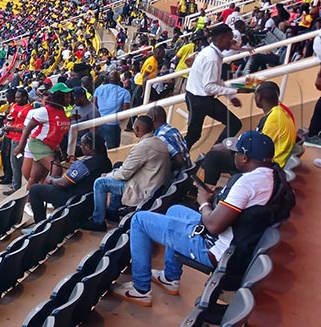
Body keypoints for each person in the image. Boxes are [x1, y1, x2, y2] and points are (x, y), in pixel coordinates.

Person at [112, 131, 289, 307]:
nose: (234, 156)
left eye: (237, 152)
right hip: (235, 239)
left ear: (245, 159)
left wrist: (204, 202)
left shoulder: (246, 183)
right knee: (175, 210)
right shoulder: (271, 175)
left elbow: (213, 226)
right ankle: (170, 278)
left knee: (139, 220)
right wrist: (218, 197)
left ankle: (141, 290)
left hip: (214, 249)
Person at [82, 115, 171, 232]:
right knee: (116, 170)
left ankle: (98, 221)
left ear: (138, 128)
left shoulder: (143, 146)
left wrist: (107, 175)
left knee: (100, 183)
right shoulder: (159, 142)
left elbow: (124, 174)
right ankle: (113, 211)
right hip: (153, 185)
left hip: (144, 189)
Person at [201, 81, 296, 185]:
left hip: (267, 167)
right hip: (269, 161)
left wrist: (232, 149)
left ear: (258, 97)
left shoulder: (273, 120)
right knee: (220, 152)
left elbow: (259, 151)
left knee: (212, 157)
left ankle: (208, 192)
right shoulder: (280, 112)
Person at [184, 23, 246, 148]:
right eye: (230, 38)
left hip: (194, 97)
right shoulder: (212, 58)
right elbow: (209, 87)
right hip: (201, 100)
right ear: (221, 39)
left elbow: (216, 80)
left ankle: (179, 158)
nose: (232, 42)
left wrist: (230, 96)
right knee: (234, 124)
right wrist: (236, 91)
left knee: (193, 135)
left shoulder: (210, 52)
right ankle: (216, 151)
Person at [28, 132, 112, 223]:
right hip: (88, 200)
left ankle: (39, 226)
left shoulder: (83, 166)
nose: (80, 147)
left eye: (82, 145)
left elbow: (63, 183)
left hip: (73, 199)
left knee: (35, 189)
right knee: (56, 178)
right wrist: (76, 163)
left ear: (88, 147)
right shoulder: (106, 161)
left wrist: (51, 180)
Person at [14, 83, 73, 189]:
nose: (69, 99)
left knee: (35, 178)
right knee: (56, 169)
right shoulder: (45, 111)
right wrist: (20, 146)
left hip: (49, 146)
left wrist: (64, 153)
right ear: (58, 97)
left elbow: (58, 131)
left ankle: (29, 202)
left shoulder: (62, 111)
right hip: (39, 144)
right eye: (67, 96)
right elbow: (28, 128)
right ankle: (49, 195)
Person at [92, 72, 131, 149]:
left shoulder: (98, 89)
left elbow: (94, 106)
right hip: (113, 124)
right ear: (119, 80)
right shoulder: (125, 93)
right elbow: (125, 110)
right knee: (113, 149)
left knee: (99, 147)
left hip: (99, 122)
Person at [147, 105, 191, 172]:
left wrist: (161, 169)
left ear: (152, 118)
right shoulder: (172, 129)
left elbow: (180, 161)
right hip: (187, 172)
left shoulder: (161, 136)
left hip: (177, 177)